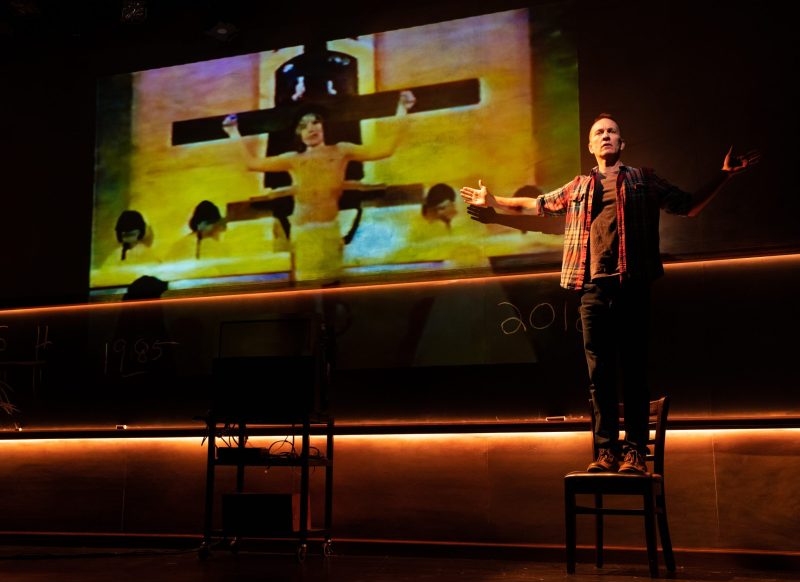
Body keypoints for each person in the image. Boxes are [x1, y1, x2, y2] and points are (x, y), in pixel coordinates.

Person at [460, 114, 759, 474]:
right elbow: (537, 204)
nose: (606, 136)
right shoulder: (578, 187)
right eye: (599, 132)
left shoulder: (643, 179)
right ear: (590, 146)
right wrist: (494, 201)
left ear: (621, 143)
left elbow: (689, 205)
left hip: (632, 285)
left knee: (634, 370)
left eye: (612, 131)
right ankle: (606, 452)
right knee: (599, 374)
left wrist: (724, 175)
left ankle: (635, 451)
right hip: (592, 288)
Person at [222, 90, 416, 283]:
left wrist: (402, 109)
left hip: (329, 231)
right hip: (303, 233)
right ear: (299, 134)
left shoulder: (341, 151)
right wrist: (232, 132)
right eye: (303, 126)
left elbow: (385, 150)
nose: (311, 129)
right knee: (306, 290)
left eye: (315, 122)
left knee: (332, 287)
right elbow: (252, 163)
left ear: (324, 126)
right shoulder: (293, 159)